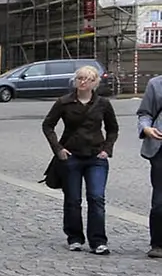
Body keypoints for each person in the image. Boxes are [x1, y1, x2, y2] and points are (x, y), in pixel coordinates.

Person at [42, 64, 118, 254]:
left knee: (96, 198)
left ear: (95, 83)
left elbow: (112, 128)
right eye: (80, 78)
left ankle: (98, 240)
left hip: (96, 157)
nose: (83, 82)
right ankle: (75, 238)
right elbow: (48, 125)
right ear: (75, 81)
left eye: (88, 79)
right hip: (71, 156)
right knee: (73, 200)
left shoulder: (103, 104)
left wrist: (107, 149)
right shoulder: (64, 102)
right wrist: (58, 149)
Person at [136, 72, 162, 258]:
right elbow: (145, 113)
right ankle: (158, 243)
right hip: (160, 149)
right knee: (160, 200)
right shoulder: (156, 84)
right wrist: (146, 128)